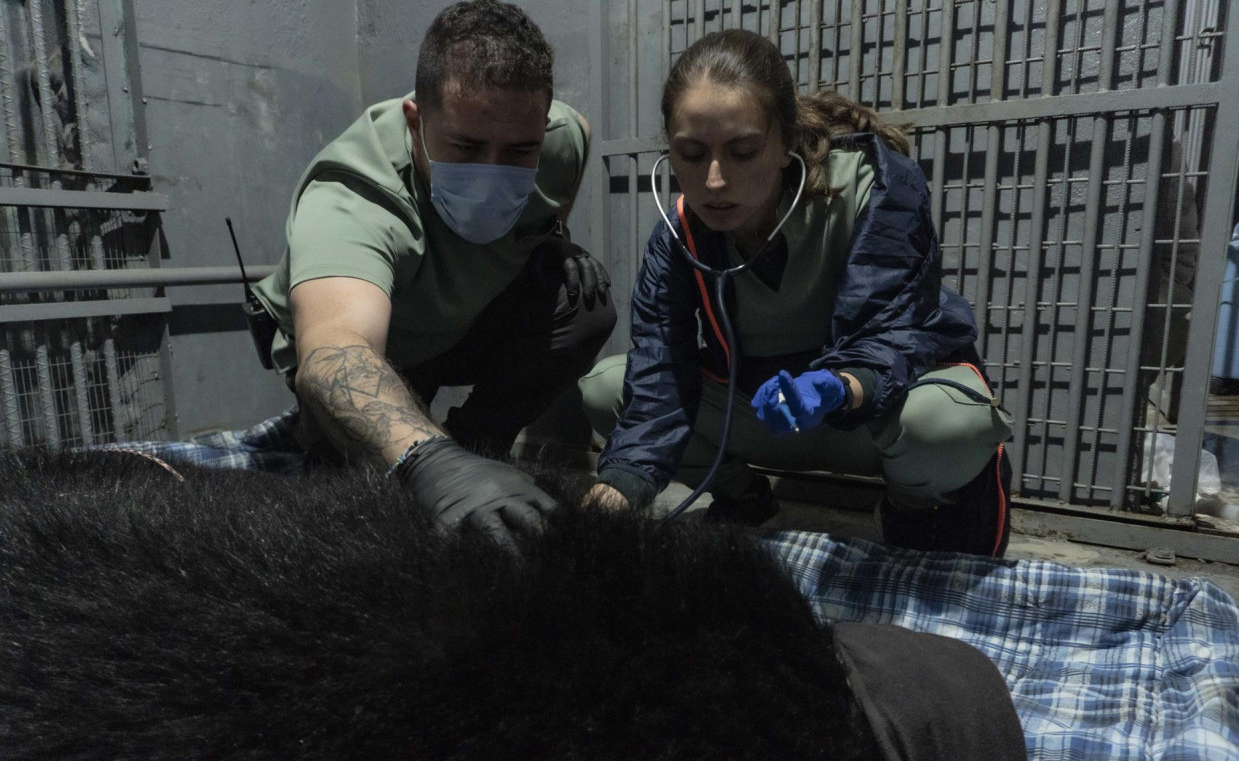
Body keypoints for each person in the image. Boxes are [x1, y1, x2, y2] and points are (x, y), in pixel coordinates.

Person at [579, 29, 1014, 557]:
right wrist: (612, 494)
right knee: (608, 387)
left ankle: (912, 515)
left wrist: (840, 385)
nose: (714, 181)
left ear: (785, 141)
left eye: (743, 151)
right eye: (690, 153)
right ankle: (743, 497)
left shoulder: (875, 188)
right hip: (763, 412)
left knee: (949, 424)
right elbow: (659, 378)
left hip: (867, 408)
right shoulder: (678, 237)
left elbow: (894, 330)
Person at [249, 0, 616, 545]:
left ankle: (479, 447)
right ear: (415, 122)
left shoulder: (559, 139)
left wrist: (554, 240)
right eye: (465, 147)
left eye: (520, 150)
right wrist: (429, 461)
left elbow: (577, 131)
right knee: (360, 500)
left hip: (463, 324)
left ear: (542, 128)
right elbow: (333, 349)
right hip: (381, 344)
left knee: (583, 303)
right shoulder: (351, 195)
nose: (492, 171)